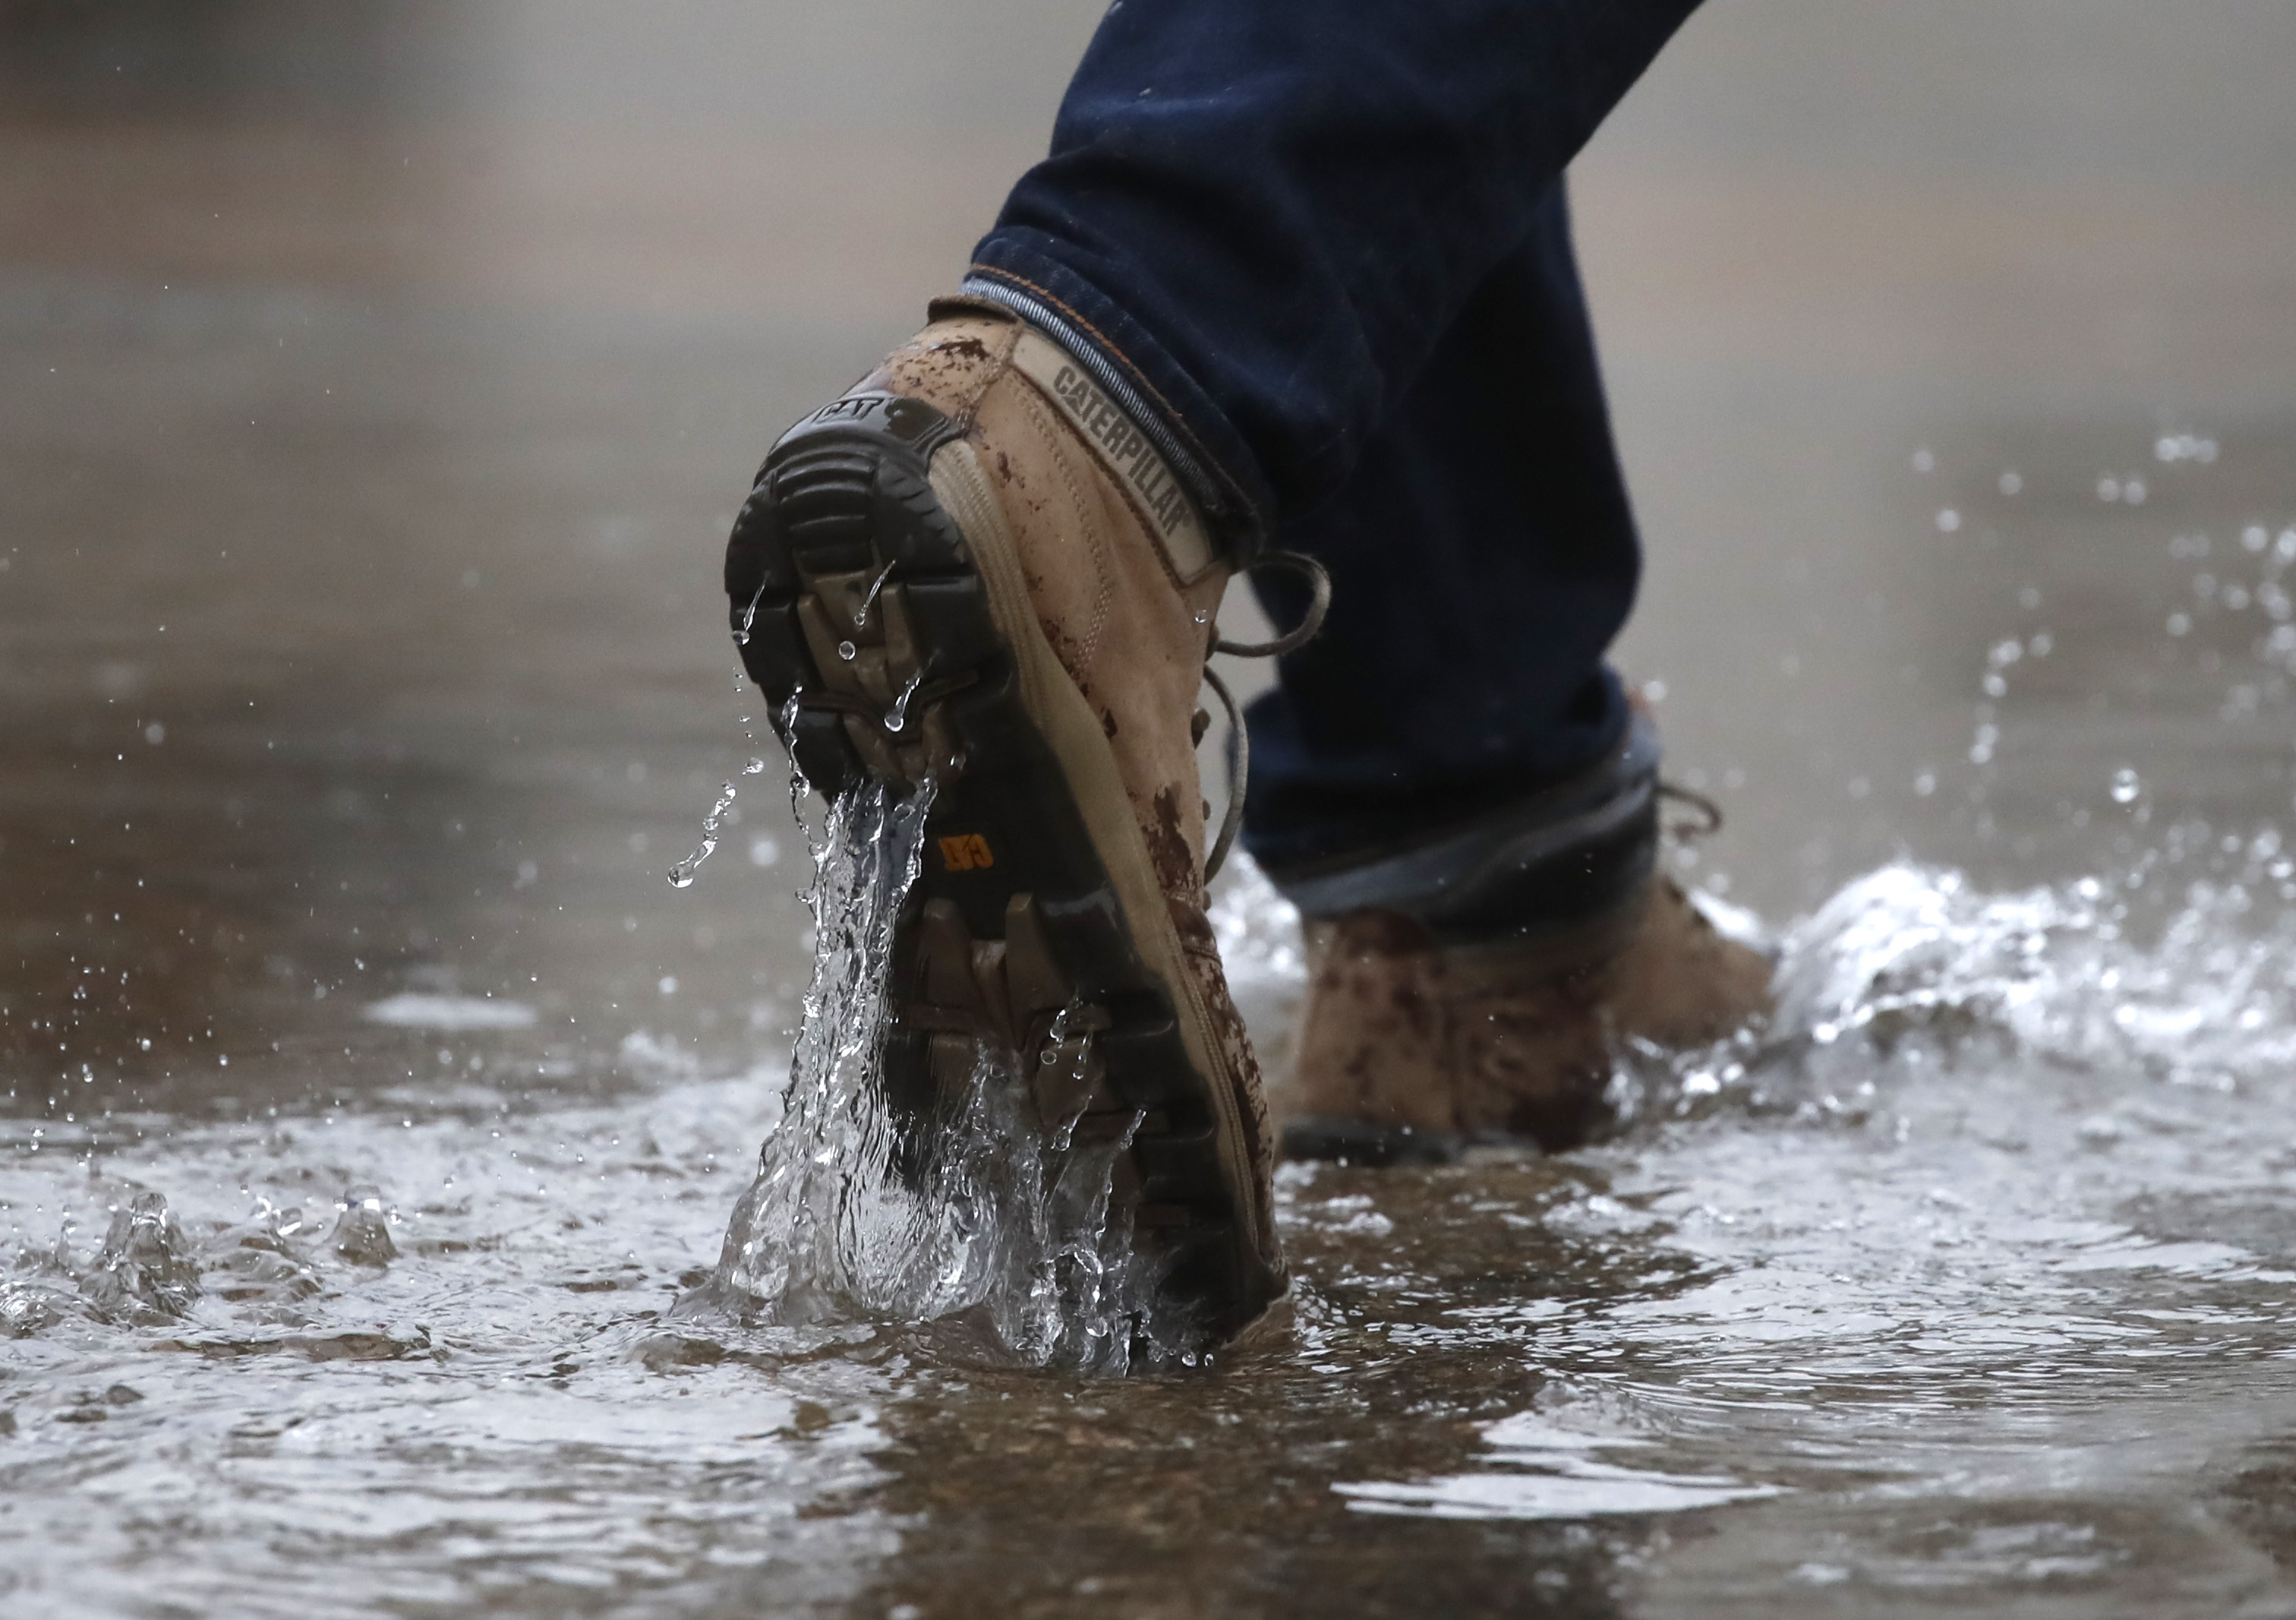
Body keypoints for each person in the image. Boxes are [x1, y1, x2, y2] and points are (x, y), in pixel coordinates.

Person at [723, 0, 1768, 1347]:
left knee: (1479, 817)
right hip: (1140, 328)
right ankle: (1120, 395)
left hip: (1476, 761)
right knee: (1133, 373)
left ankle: (1479, 852)